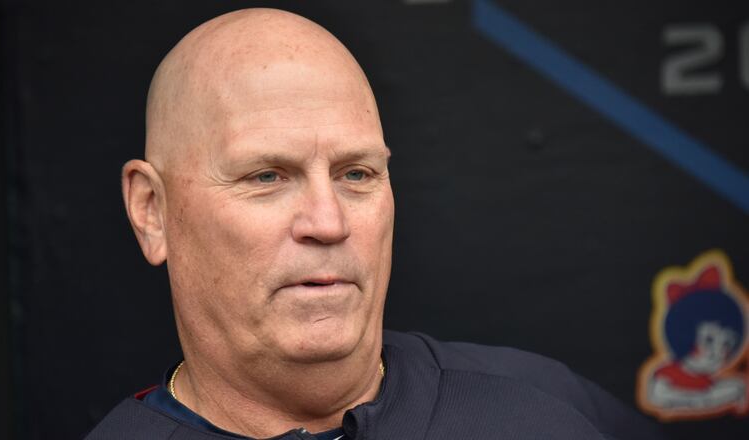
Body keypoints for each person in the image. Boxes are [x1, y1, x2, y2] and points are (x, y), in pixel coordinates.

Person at [87, 8, 661, 440]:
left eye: (356, 173)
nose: (327, 221)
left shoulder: (542, 408)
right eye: (267, 177)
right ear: (152, 211)